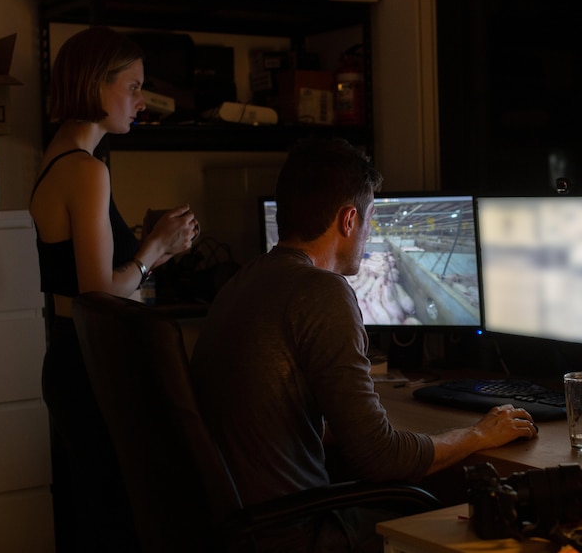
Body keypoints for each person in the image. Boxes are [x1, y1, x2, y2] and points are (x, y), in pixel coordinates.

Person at [189, 137, 537, 552]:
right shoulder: (321, 291)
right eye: (371, 220)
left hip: (238, 529)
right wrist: (479, 434)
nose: (369, 234)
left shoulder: (241, 282)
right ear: (349, 220)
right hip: (294, 535)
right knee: (480, 524)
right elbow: (381, 460)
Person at [29, 26, 199, 552]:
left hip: (68, 353)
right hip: (89, 361)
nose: (140, 101)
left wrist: (159, 249)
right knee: (118, 520)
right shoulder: (87, 171)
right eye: (132, 86)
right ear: (94, 85)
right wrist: (151, 250)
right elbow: (98, 292)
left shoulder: (57, 158)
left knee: (95, 515)